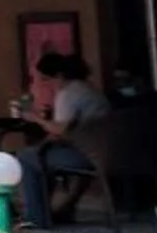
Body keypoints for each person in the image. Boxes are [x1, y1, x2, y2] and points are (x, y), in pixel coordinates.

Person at [20, 51, 109, 224]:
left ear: (59, 76)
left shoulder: (68, 93)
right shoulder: (88, 89)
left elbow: (60, 130)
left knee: (27, 157)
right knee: (40, 155)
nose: (47, 85)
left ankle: (37, 217)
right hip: (105, 151)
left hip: (89, 155)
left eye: (46, 79)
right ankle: (55, 210)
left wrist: (35, 118)